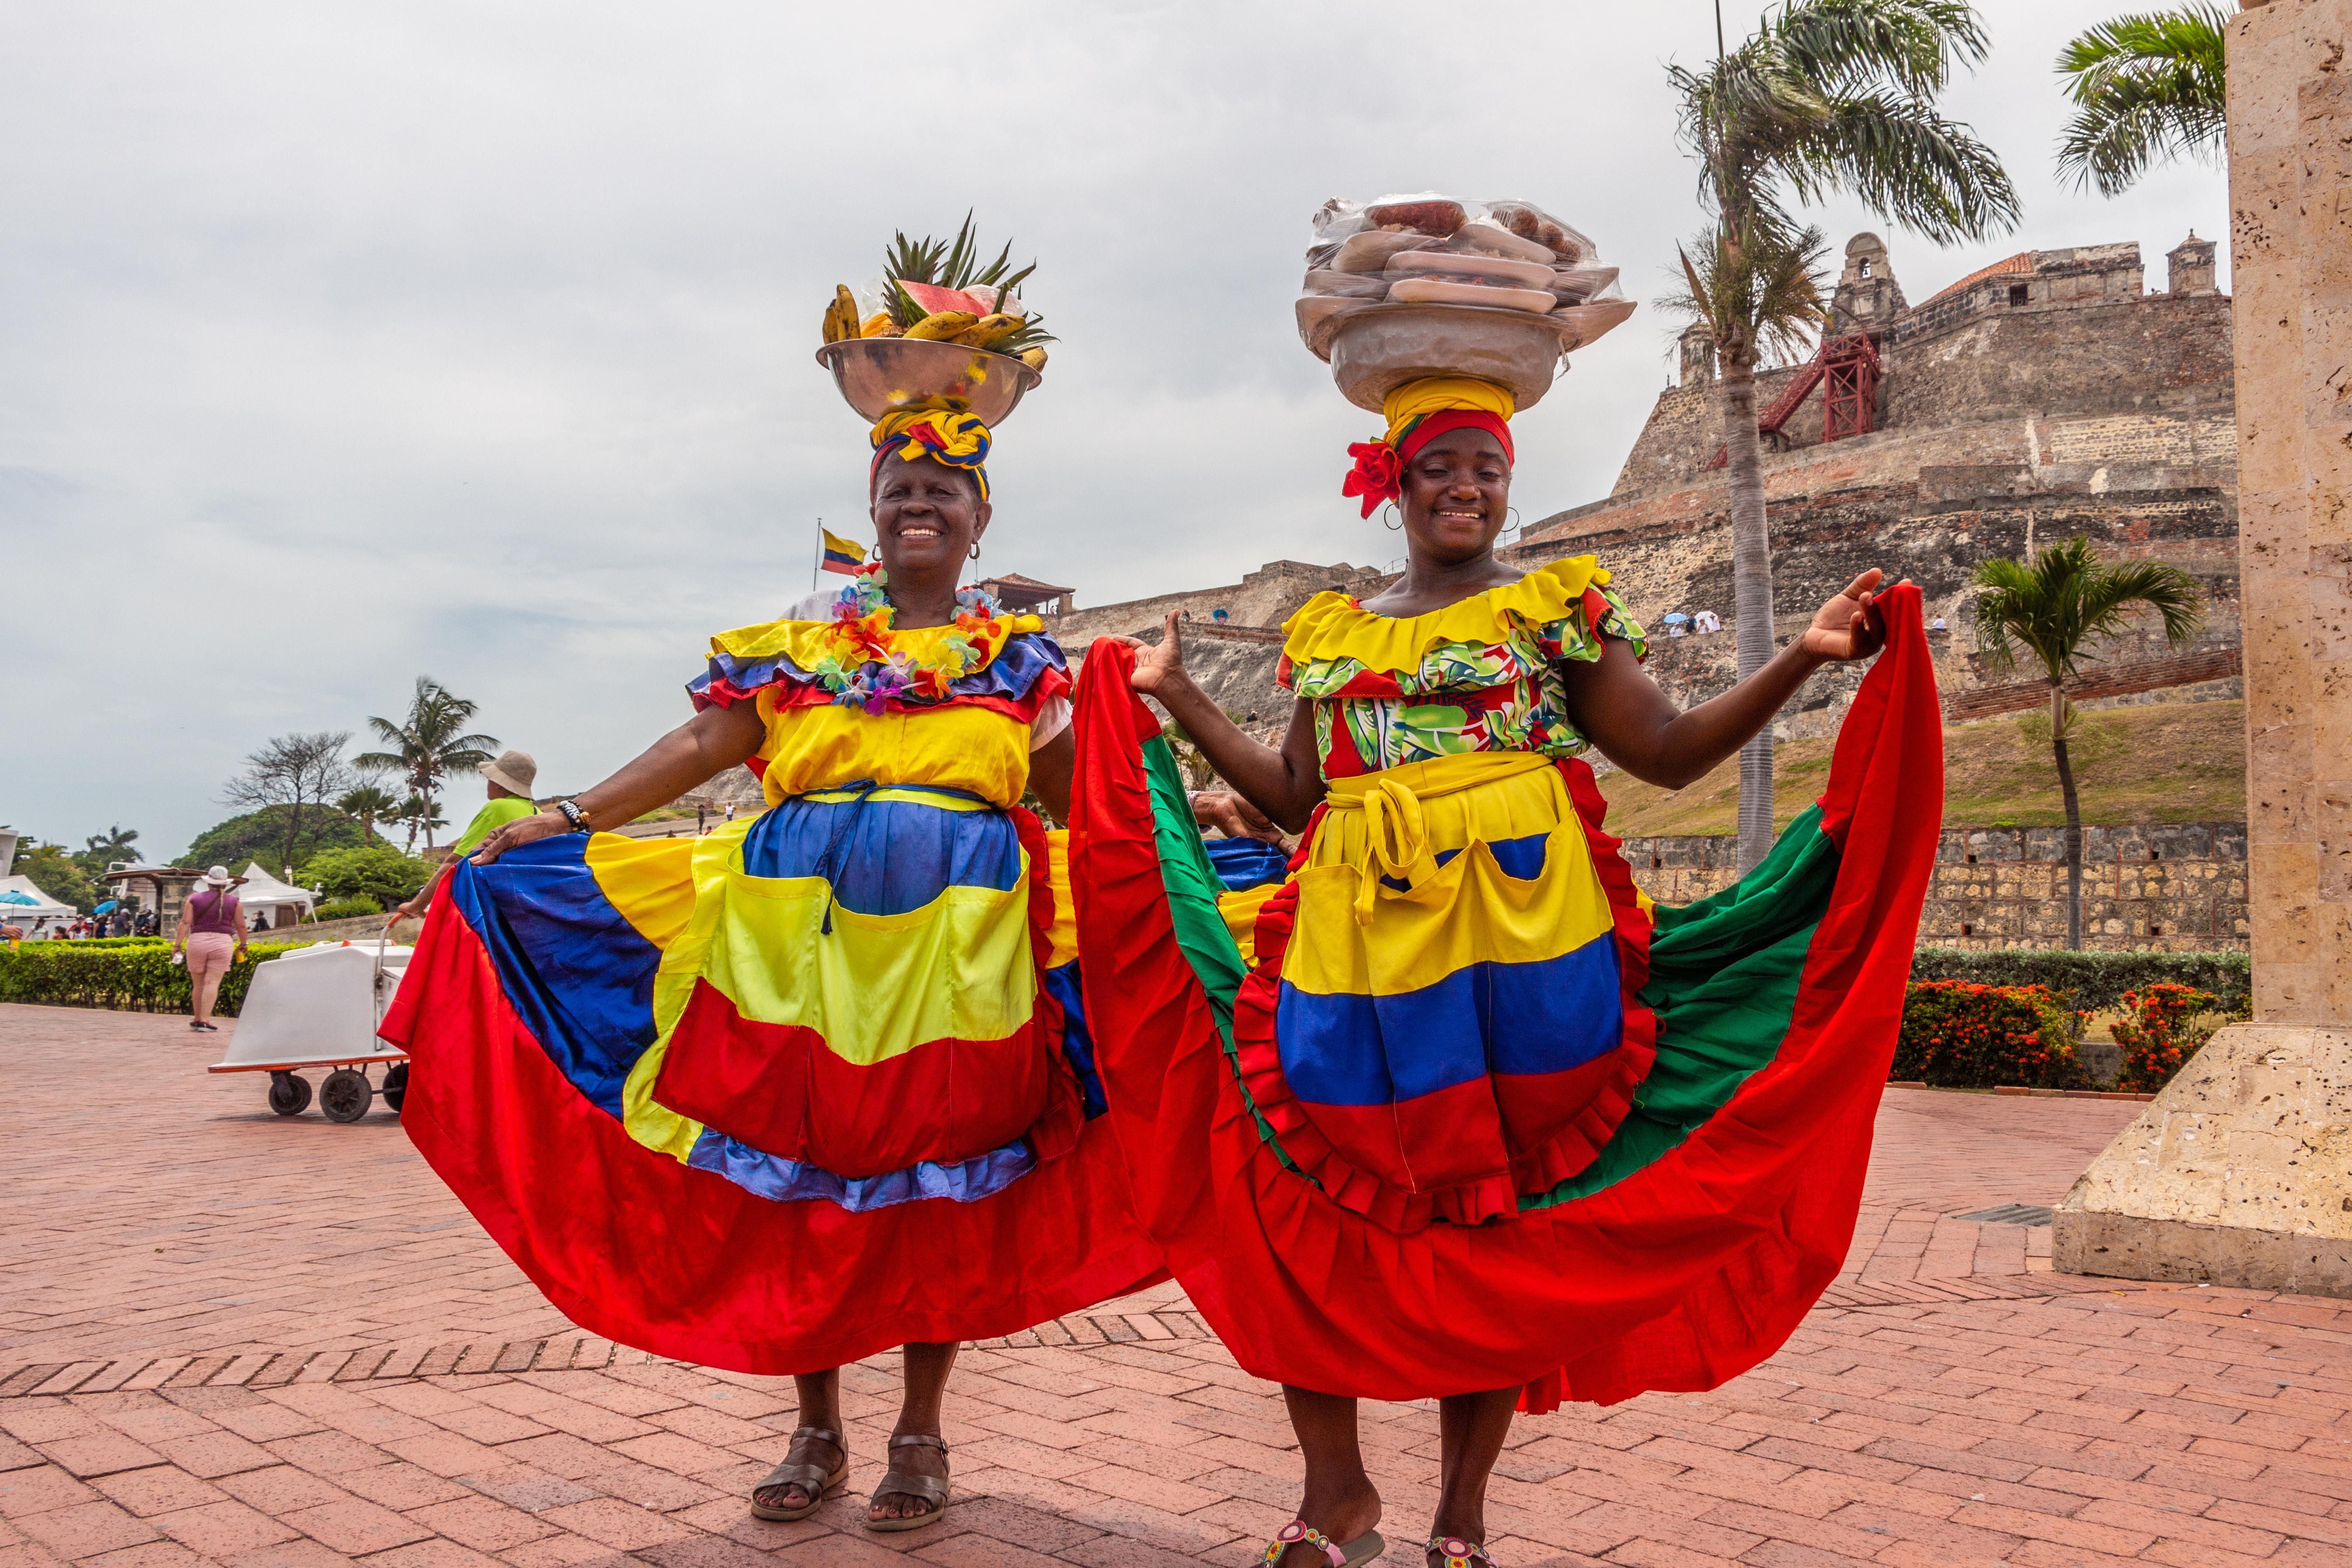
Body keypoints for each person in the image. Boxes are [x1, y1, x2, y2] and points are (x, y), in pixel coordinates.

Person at [1066, 375, 1942, 1568]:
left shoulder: (1552, 609)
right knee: (1299, 1190)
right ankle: (1338, 1496)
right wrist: (1178, 704)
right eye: (1440, 465)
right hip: (1352, 961)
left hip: (1528, 961)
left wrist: (1805, 656)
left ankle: (1461, 1514)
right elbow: (1298, 799)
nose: (1466, 484)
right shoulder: (1335, 633)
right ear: (1397, 486)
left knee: (1494, 1218)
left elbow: (1670, 752)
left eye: (1487, 465)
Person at [379, 402, 1161, 1533]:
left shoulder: (1022, 663)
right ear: (874, 512)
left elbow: (1085, 793)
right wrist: (568, 810)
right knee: (798, 1170)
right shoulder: (798, 652)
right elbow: (704, 744)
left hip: (962, 965)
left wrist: (1195, 842)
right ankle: (816, 1424)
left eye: (945, 486)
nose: (920, 500)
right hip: (792, 956)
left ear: (980, 517)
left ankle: (920, 1431)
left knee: (936, 1180)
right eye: (899, 484)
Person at [386, 751, 542, 929]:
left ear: (499, 784)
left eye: (490, 779)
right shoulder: (537, 814)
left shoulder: (499, 807)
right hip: (526, 910)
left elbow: (455, 861)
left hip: (496, 912)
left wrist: (416, 905)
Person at [173, 867, 249, 1032]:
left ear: (208, 882)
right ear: (225, 884)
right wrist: (244, 944)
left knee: (198, 983)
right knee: (212, 983)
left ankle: (197, 1018)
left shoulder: (194, 899)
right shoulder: (234, 902)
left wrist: (177, 945)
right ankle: (206, 1020)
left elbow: (185, 923)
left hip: (197, 942)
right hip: (222, 943)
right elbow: (241, 925)